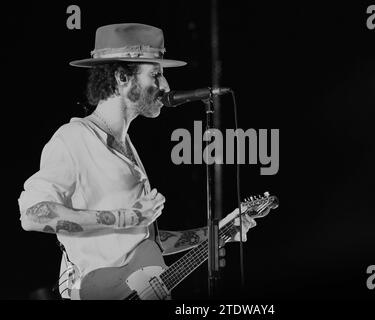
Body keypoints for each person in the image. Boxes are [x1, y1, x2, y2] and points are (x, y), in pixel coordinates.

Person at [18, 23, 256, 300]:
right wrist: (125, 217)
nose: (165, 85)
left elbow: (145, 242)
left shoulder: (126, 146)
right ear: (121, 77)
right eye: (155, 75)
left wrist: (218, 232)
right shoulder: (74, 138)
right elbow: (32, 215)